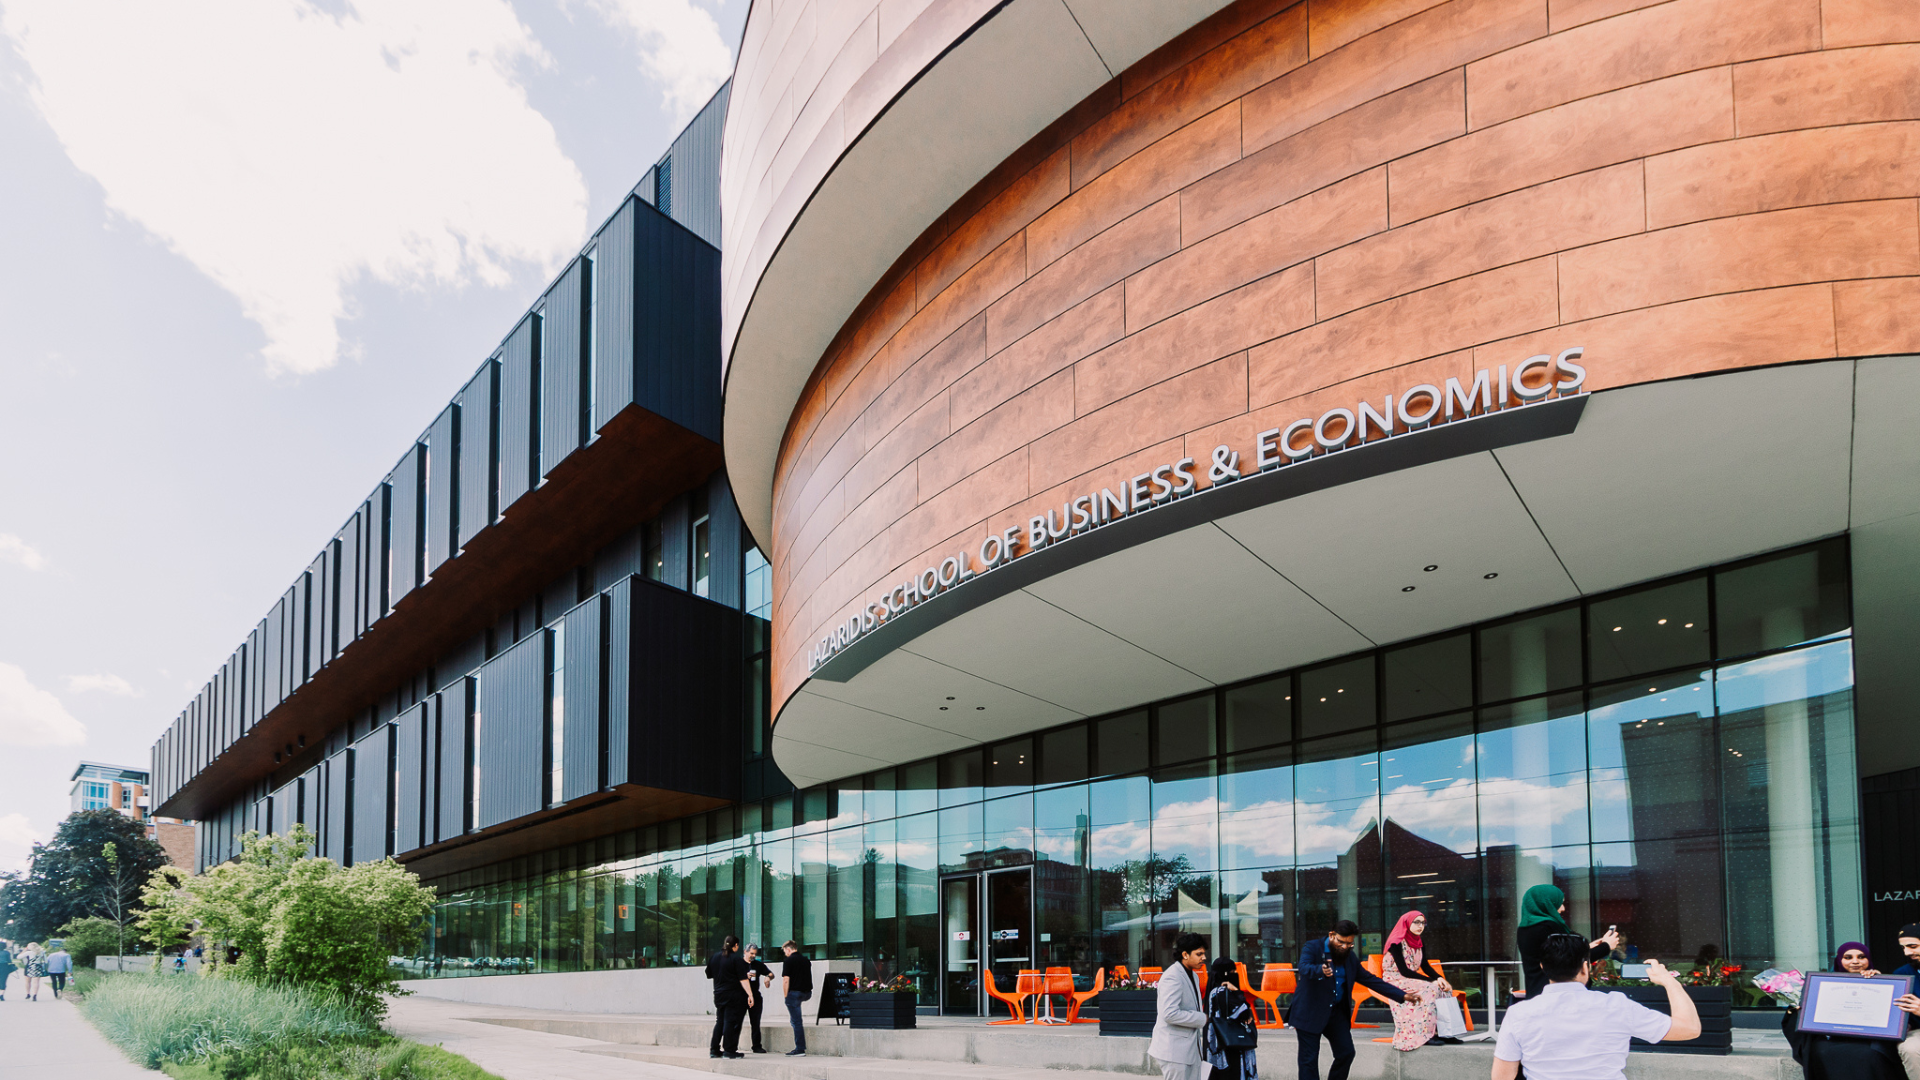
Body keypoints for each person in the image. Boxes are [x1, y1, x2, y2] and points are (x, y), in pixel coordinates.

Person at [1493, 933, 1698, 1080]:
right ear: (1585, 967)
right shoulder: (1616, 1006)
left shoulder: (1518, 1014)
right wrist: (1669, 981)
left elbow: (1502, 1077)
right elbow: (1689, 1029)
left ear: (1543, 967)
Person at [1288, 919, 1416, 1080]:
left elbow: (1370, 979)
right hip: (1309, 1012)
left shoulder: (1350, 957)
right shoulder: (1313, 947)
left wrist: (1402, 995)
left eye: (1349, 944)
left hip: (1335, 1013)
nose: (1344, 947)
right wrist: (1319, 969)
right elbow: (1304, 967)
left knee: (1346, 1053)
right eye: (1341, 942)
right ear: (1332, 935)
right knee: (1309, 1061)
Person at [1783, 937, 1908, 1079]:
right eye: (1848, 957)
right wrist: (1800, 1008)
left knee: (1870, 1055)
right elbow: (1795, 1019)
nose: (1855, 961)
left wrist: (1879, 982)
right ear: (1839, 960)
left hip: (1870, 1039)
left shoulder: (1882, 981)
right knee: (1821, 1052)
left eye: (1861, 957)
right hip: (1831, 1038)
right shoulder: (1823, 985)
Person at [1515, 884, 1619, 998]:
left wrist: (1586, 947)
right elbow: (1569, 960)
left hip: (1535, 992)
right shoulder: (1550, 927)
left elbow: (1548, 954)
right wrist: (1606, 946)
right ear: (1548, 903)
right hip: (1557, 996)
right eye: (1559, 903)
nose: (1563, 908)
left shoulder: (1524, 929)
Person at [1380, 910, 1455, 1050]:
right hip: (1395, 979)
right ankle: (1425, 1035)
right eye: (1416, 922)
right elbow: (1404, 971)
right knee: (1431, 988)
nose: (1420, 926)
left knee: (1444, 989)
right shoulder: (1396, 942)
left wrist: (1439, 978)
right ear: (1407, 923)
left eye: (1423, 923)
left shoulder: (1419, 942)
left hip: (1409, 978)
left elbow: (1425, 966)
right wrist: (1431, 981)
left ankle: (1446, 1033)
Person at [1148, 932, 1210, 1080]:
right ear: (1185, 955)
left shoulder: (1193, 975)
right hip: (1174, 1050)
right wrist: (1203, 1018)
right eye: (1199, 954)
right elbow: (1169, 1013)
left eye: (1204, 953)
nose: (1204, 958)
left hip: (1187, 1049)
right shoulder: (1172, 976)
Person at [1203, 955, 1257, 1080]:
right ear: (1225, 973)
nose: (1235, 975)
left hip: (1219, 1043)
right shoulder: (1222, 992)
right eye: (1232, 972)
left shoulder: (1213, 991)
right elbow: (1243, 1011)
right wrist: (1237, 991)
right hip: (1230, 1045)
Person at [703, 935, 753, 1059]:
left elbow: (708, 974)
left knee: (720, 1021)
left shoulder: (714, 957)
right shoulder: (736, 959)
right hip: (733, 995)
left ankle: (714, 1050)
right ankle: (729, 1051)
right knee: (730, 1022)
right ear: (735, 946)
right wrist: (750, 994)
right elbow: (743, 979)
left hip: (718, 994)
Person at [1888, 924, 1920, 1078]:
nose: (1908, 952)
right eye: (1903, 948)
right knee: (1910, 1048)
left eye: (1913, 946)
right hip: (1917, 1032)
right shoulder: (1902, 973)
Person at [779, 940, 813, 1057]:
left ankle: (800, 1049)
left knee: (796, 1022)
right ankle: (800, 1048)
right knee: (796, 1020)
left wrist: (785, 996)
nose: (785, 954)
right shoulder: (806, 960)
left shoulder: (788, 961)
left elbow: (786, 980)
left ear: (789, 949)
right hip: (807, 993)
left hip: (794, 993)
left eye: (785, 951)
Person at [743, 944, 775, 1053]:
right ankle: (731, 1046)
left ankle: (756, 1046)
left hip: (755, 995)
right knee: (735, 1022)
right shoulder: (738, 964)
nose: (753, 956)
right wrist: (744, 976)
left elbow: (771, 973)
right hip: (741, 996)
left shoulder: (757, 964)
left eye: (755, 954)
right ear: (745, 952)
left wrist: (768, 977)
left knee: (755, 1022)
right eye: (751, 953)